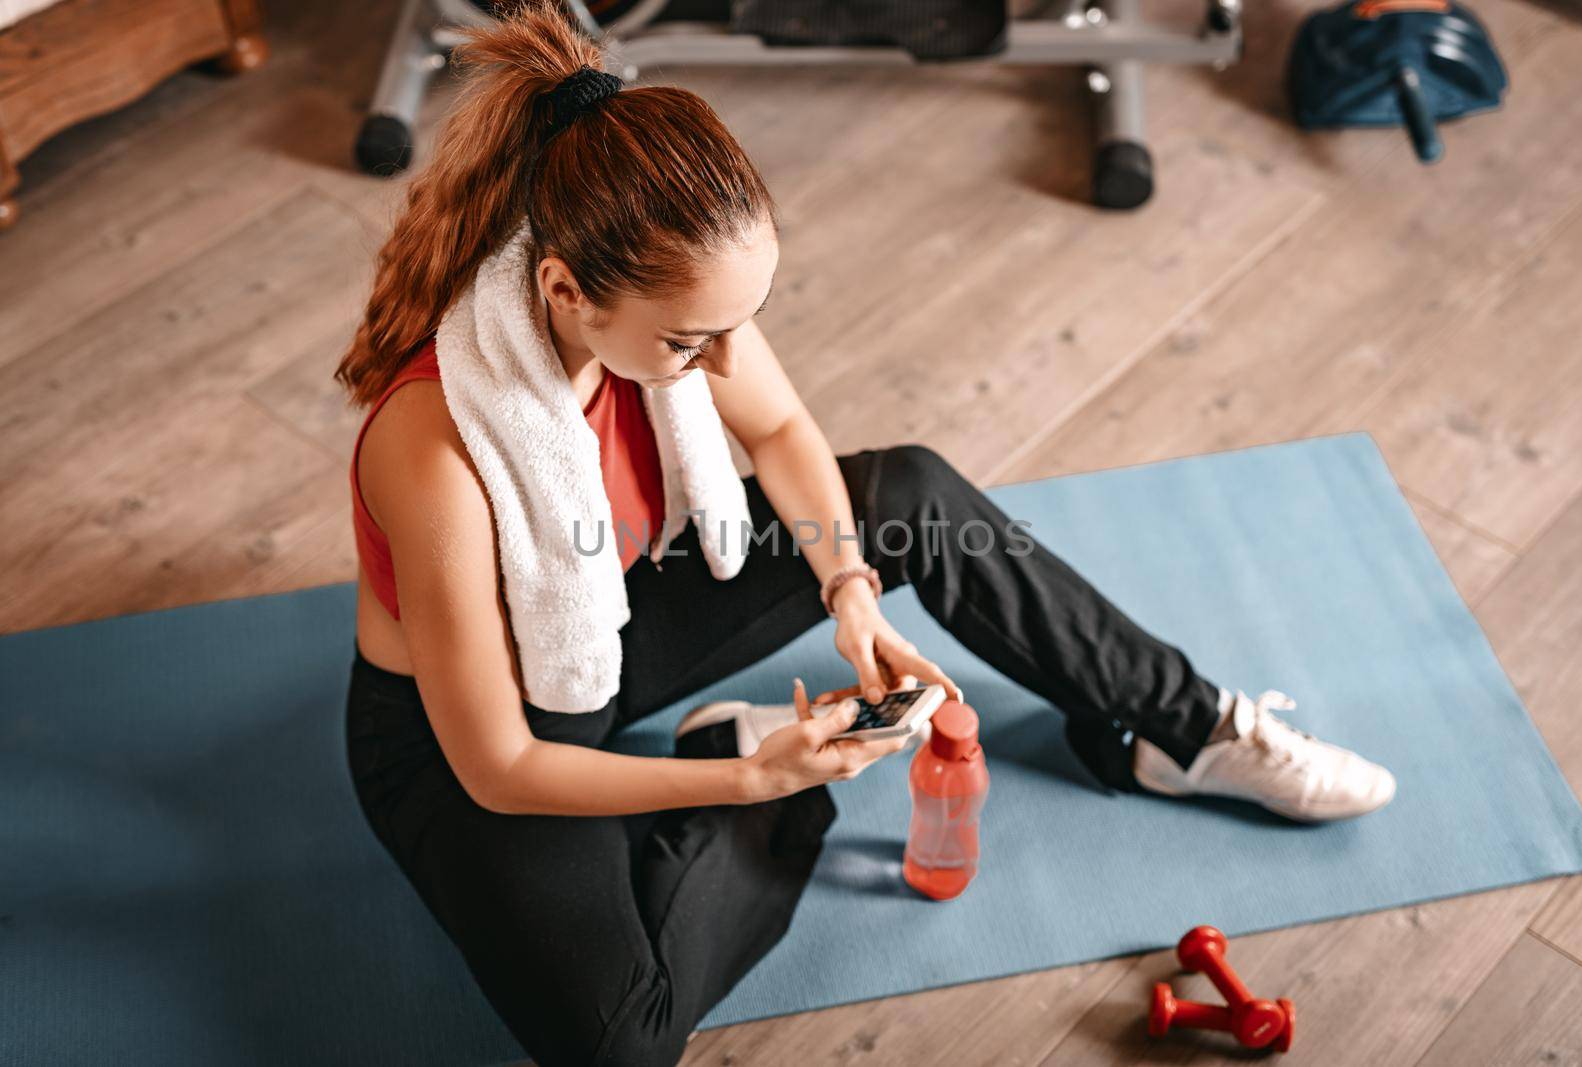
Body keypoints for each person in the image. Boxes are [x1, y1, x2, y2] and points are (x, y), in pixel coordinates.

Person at [335, 4, 1395, 1064]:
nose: (717, 366)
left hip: (608, 618)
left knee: (909, 494)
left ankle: (1181, 726)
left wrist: (845, 582)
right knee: (620, 1044)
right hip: (468, 743)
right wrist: (749, 782)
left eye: (729, 329)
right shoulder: (435, 450)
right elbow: (502, 765)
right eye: (688, 340)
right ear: (566, 290)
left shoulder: (663, 301)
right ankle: (728, 756)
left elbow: (785, 427)